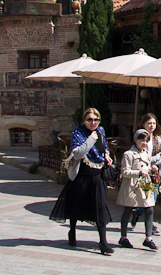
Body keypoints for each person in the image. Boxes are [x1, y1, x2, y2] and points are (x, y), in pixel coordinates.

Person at [49, 107, 115, 255]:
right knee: (76, 205)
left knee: (100, 207)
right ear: (84, 120)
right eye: (90, 119)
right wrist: (91, 139)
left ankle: (103, 242)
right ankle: (72, 232)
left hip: (98, 176)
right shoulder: (78, 132)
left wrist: (107, 155)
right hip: (83, 175)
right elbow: (77, 153)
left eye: (96, 119)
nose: (93, 122)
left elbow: (104, 147)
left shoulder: (101, 131)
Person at [116, 129, 158, 251]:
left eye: (146, 141)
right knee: (128, 209)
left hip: (144, 185)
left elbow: (147, 168)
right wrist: (139, 173)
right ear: (135, 140)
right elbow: (124, 171)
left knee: (149, 209)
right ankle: (123, 237)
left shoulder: (147, 154)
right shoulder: (128, 154)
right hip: (132, 185)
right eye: (141, 140)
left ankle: (148, 238)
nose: (144, 143)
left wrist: (152, 170)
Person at [137, 113, 161, 236]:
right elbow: (141, 157)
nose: (152, 126)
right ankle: (149, 224)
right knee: (146, 200)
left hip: (155, 174)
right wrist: (154, 159)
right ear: (143, 124)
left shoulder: (159, 140)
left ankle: (138, 215)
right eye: (149, 123)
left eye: (154, 123)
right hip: (144, 174)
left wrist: (154, 160)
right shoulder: (140, 140)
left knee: (152, 199)